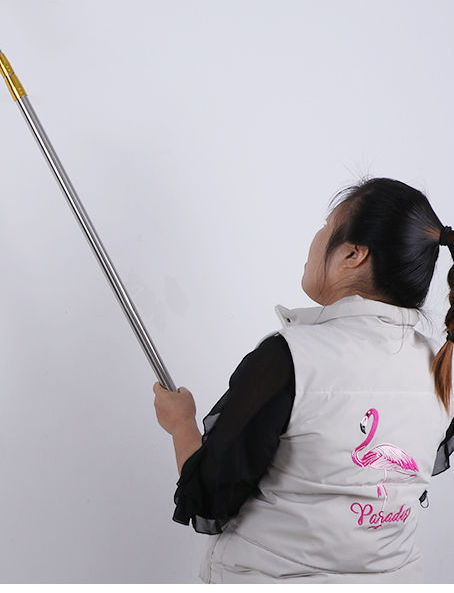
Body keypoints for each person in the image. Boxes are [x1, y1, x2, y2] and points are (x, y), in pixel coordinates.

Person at [153, 177, 454, 583]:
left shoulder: (290, 357)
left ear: (353, 254)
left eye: (326, 226)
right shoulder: (441, 364)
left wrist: (181, 424)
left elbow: (209, 499)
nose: (315, 239)